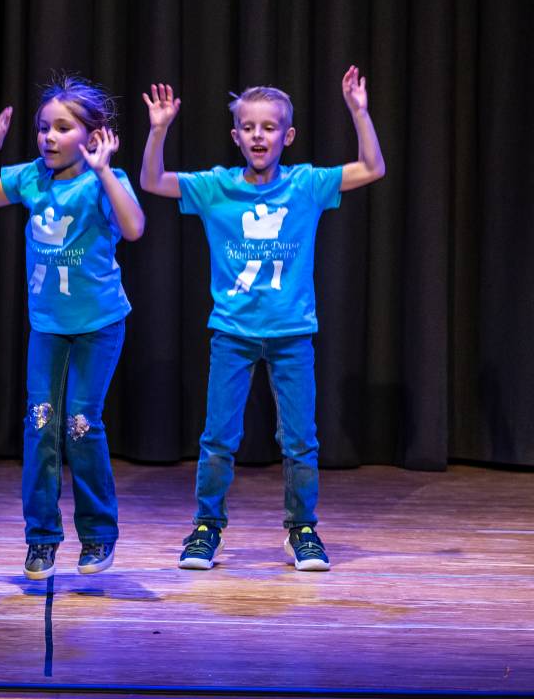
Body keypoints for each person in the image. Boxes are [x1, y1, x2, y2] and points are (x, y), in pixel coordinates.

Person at [138, 67, 385, 571]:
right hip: (232, 333)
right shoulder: (215, 187)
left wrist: (359, 111)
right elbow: (150, 181)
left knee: (299, 439)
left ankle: (303, 529)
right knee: (218, 439)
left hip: (292, 333)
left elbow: (372, 167)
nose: (258, 135)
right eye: (249, 127)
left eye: (269, 127)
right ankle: (207, 527)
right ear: (236, 136)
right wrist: (159, 128)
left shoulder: (308, 185)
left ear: (287, 136)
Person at [0, 76, 145, 579]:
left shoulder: (103, 181)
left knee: (81, 425)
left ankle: (99, 536)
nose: (49, 137)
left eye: (63, 128)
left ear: (92, 135)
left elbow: (134, 227)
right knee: (40, 425)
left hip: (98, 325)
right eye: (43, 128)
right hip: (48, 326)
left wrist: (104, 173)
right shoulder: (31, 177)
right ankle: (41, 537)